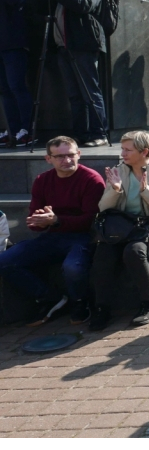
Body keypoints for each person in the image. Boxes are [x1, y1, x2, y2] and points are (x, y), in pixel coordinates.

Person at [0, 136, 104, 326]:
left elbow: (90, 220)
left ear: (79, 154)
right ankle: (50, 298)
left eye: (71, 155)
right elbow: (33, 219)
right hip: (51, 236)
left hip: (83, 237)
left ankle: (80, 303)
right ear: (48, 159)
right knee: (5, 261)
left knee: (72, 267)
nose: (67, 160)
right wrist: (40, 223)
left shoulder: (91, 180)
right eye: (60, 157)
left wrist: (56, 220)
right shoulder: (43, 180)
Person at [91, 131, 149, 330]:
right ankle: (102, 308)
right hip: (123, 226)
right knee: (103, 254)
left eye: (128, 149)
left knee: (134, 252)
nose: (122, 154)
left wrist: (146, 191)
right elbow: (103, 208)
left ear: (144, 151)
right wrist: (115, 190)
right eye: (122, 149)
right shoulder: (119, 170)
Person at [33, 0, 107, 147]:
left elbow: (85, 5)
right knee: (74, 95)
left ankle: (99, 134)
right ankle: (80, 134)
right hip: (63, 48)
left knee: (90, 92)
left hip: (83, 46)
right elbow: (42, 10)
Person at [0, 0, 33, 147]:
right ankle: (12, 130)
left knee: (17, 88)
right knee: (4, 91)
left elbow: (14, 0)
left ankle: (26, 130)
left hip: (13, 48)